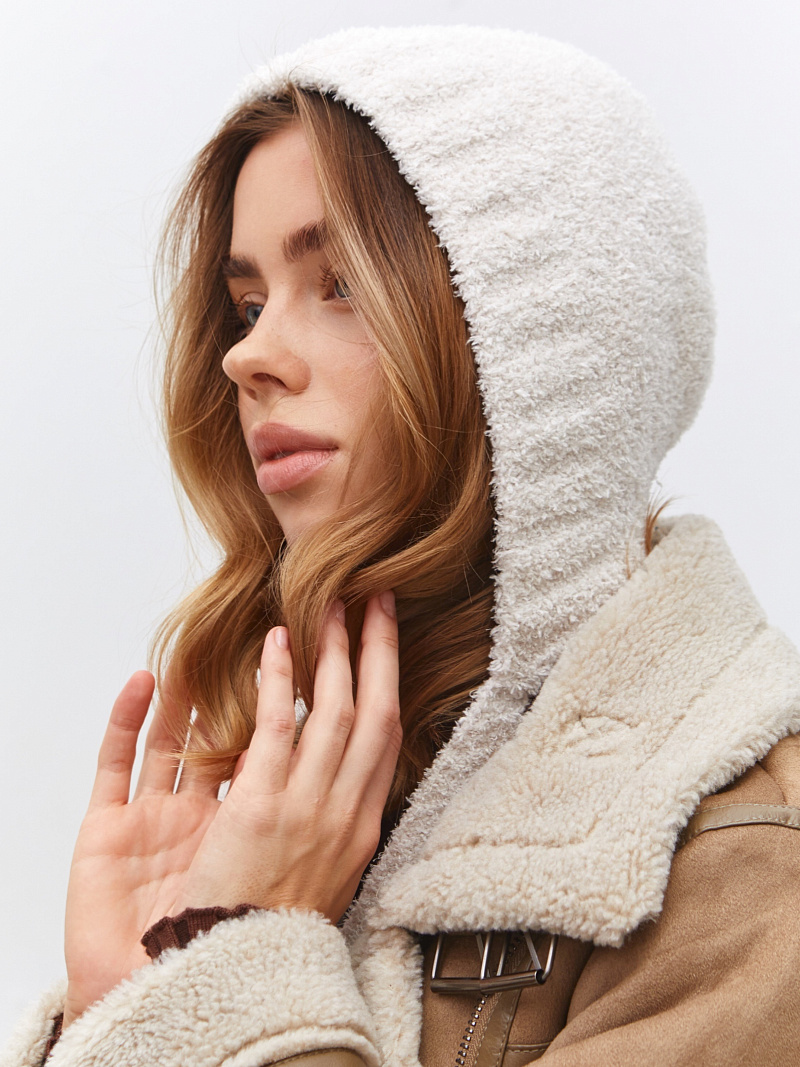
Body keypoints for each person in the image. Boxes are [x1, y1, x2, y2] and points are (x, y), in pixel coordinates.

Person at [5, 24, 800, 1067]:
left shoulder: (745, 859)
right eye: (247, 303)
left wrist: (244, 960)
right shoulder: (302, 805)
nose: (247, 354)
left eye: (339, 283)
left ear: (530, 342)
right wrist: (123, 1000)